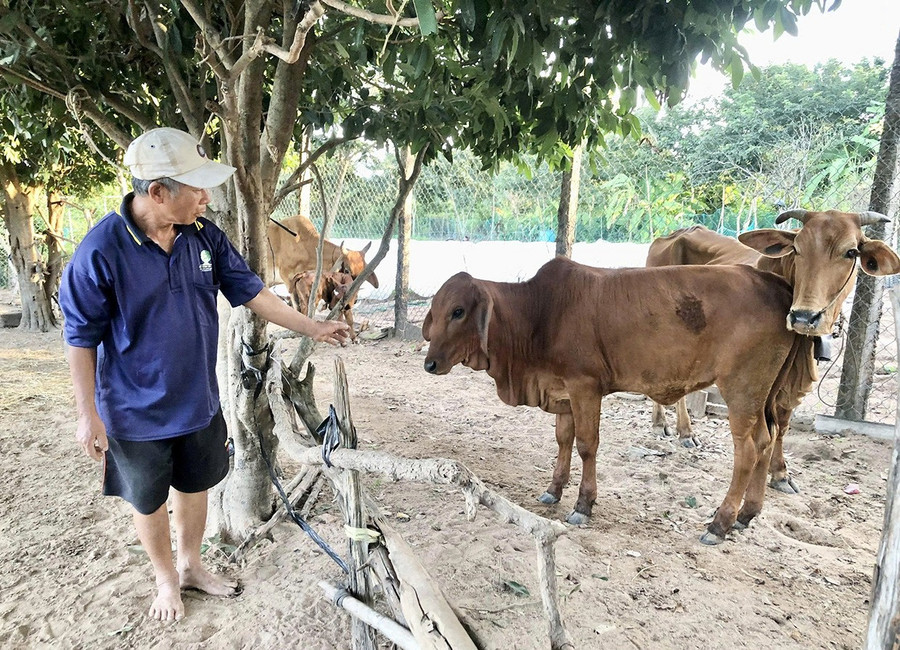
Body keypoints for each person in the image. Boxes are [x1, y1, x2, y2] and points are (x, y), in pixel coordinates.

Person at [59, 127, 349, 623]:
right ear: (157, 192)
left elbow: (253, 293)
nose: (207, 198)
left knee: (195, 486)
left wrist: (313, 326)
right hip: (134, 411)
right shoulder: (99, 252)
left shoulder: (202, 236)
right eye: (196, 189)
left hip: (198, 399)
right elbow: (80, 339)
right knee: (148, 499)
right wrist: (88, 415)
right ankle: (165, 577)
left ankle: (191, 566)